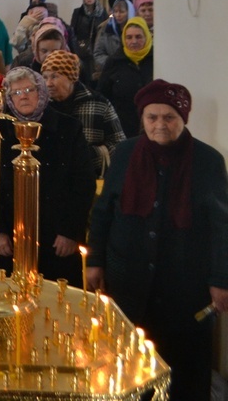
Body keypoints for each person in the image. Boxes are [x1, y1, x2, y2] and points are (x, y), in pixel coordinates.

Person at [87, 80, 228, 400]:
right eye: (152, 117)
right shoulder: (125, 153)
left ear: (183, 119)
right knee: (131, 365)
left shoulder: (208, 161)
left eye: (169, 117)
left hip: (185, 287)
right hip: (129, 282)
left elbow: (222, 226)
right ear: (143, 118)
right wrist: (95, 260)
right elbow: (104, 211)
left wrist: (221, 279)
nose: (160, 124)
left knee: (185, 369)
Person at [0, 67, 95, 287]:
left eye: (29, 90)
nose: (24, 96)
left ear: (41, 91)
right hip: (11, 236)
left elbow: (83, 183)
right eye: (16, 93)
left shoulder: (69, 128)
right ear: (9, 99)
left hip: (56, 235)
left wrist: (70, 232)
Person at [41, 51, 125, 177]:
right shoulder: (41, 107)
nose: (48, 83)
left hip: (91, 177)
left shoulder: (98, 104)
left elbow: (120, 145)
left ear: (71, 78)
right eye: (45, 77)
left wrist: (87, 156)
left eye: (54, 77)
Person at [96, 16, 153, 137]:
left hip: (152, 127)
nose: (134, 41)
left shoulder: (155, 59)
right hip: (121, 127)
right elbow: (102, 94)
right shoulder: (114, 61)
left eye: (138, 37)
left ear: (147, 37)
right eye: (129, 37)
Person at [92, 0, 134, 75]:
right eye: (115, 11)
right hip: (110, 72)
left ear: (129, 12)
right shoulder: (106, 28)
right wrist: (113, 63)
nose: (118, 15)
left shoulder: (136, 29)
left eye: (122, 12)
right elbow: (98, 54)